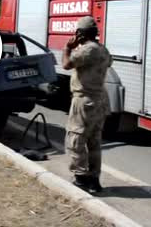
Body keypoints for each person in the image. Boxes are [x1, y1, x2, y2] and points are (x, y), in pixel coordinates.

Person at [61, 16, 112, 194]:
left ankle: (81, 178)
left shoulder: (86, 50)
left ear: (81, 34)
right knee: (94, 141)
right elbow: (109, 63)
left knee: (76, 139)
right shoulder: (102, 50)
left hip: (84, 100)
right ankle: (94, 180)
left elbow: (66, 64)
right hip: (100, 100)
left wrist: (68, 47)